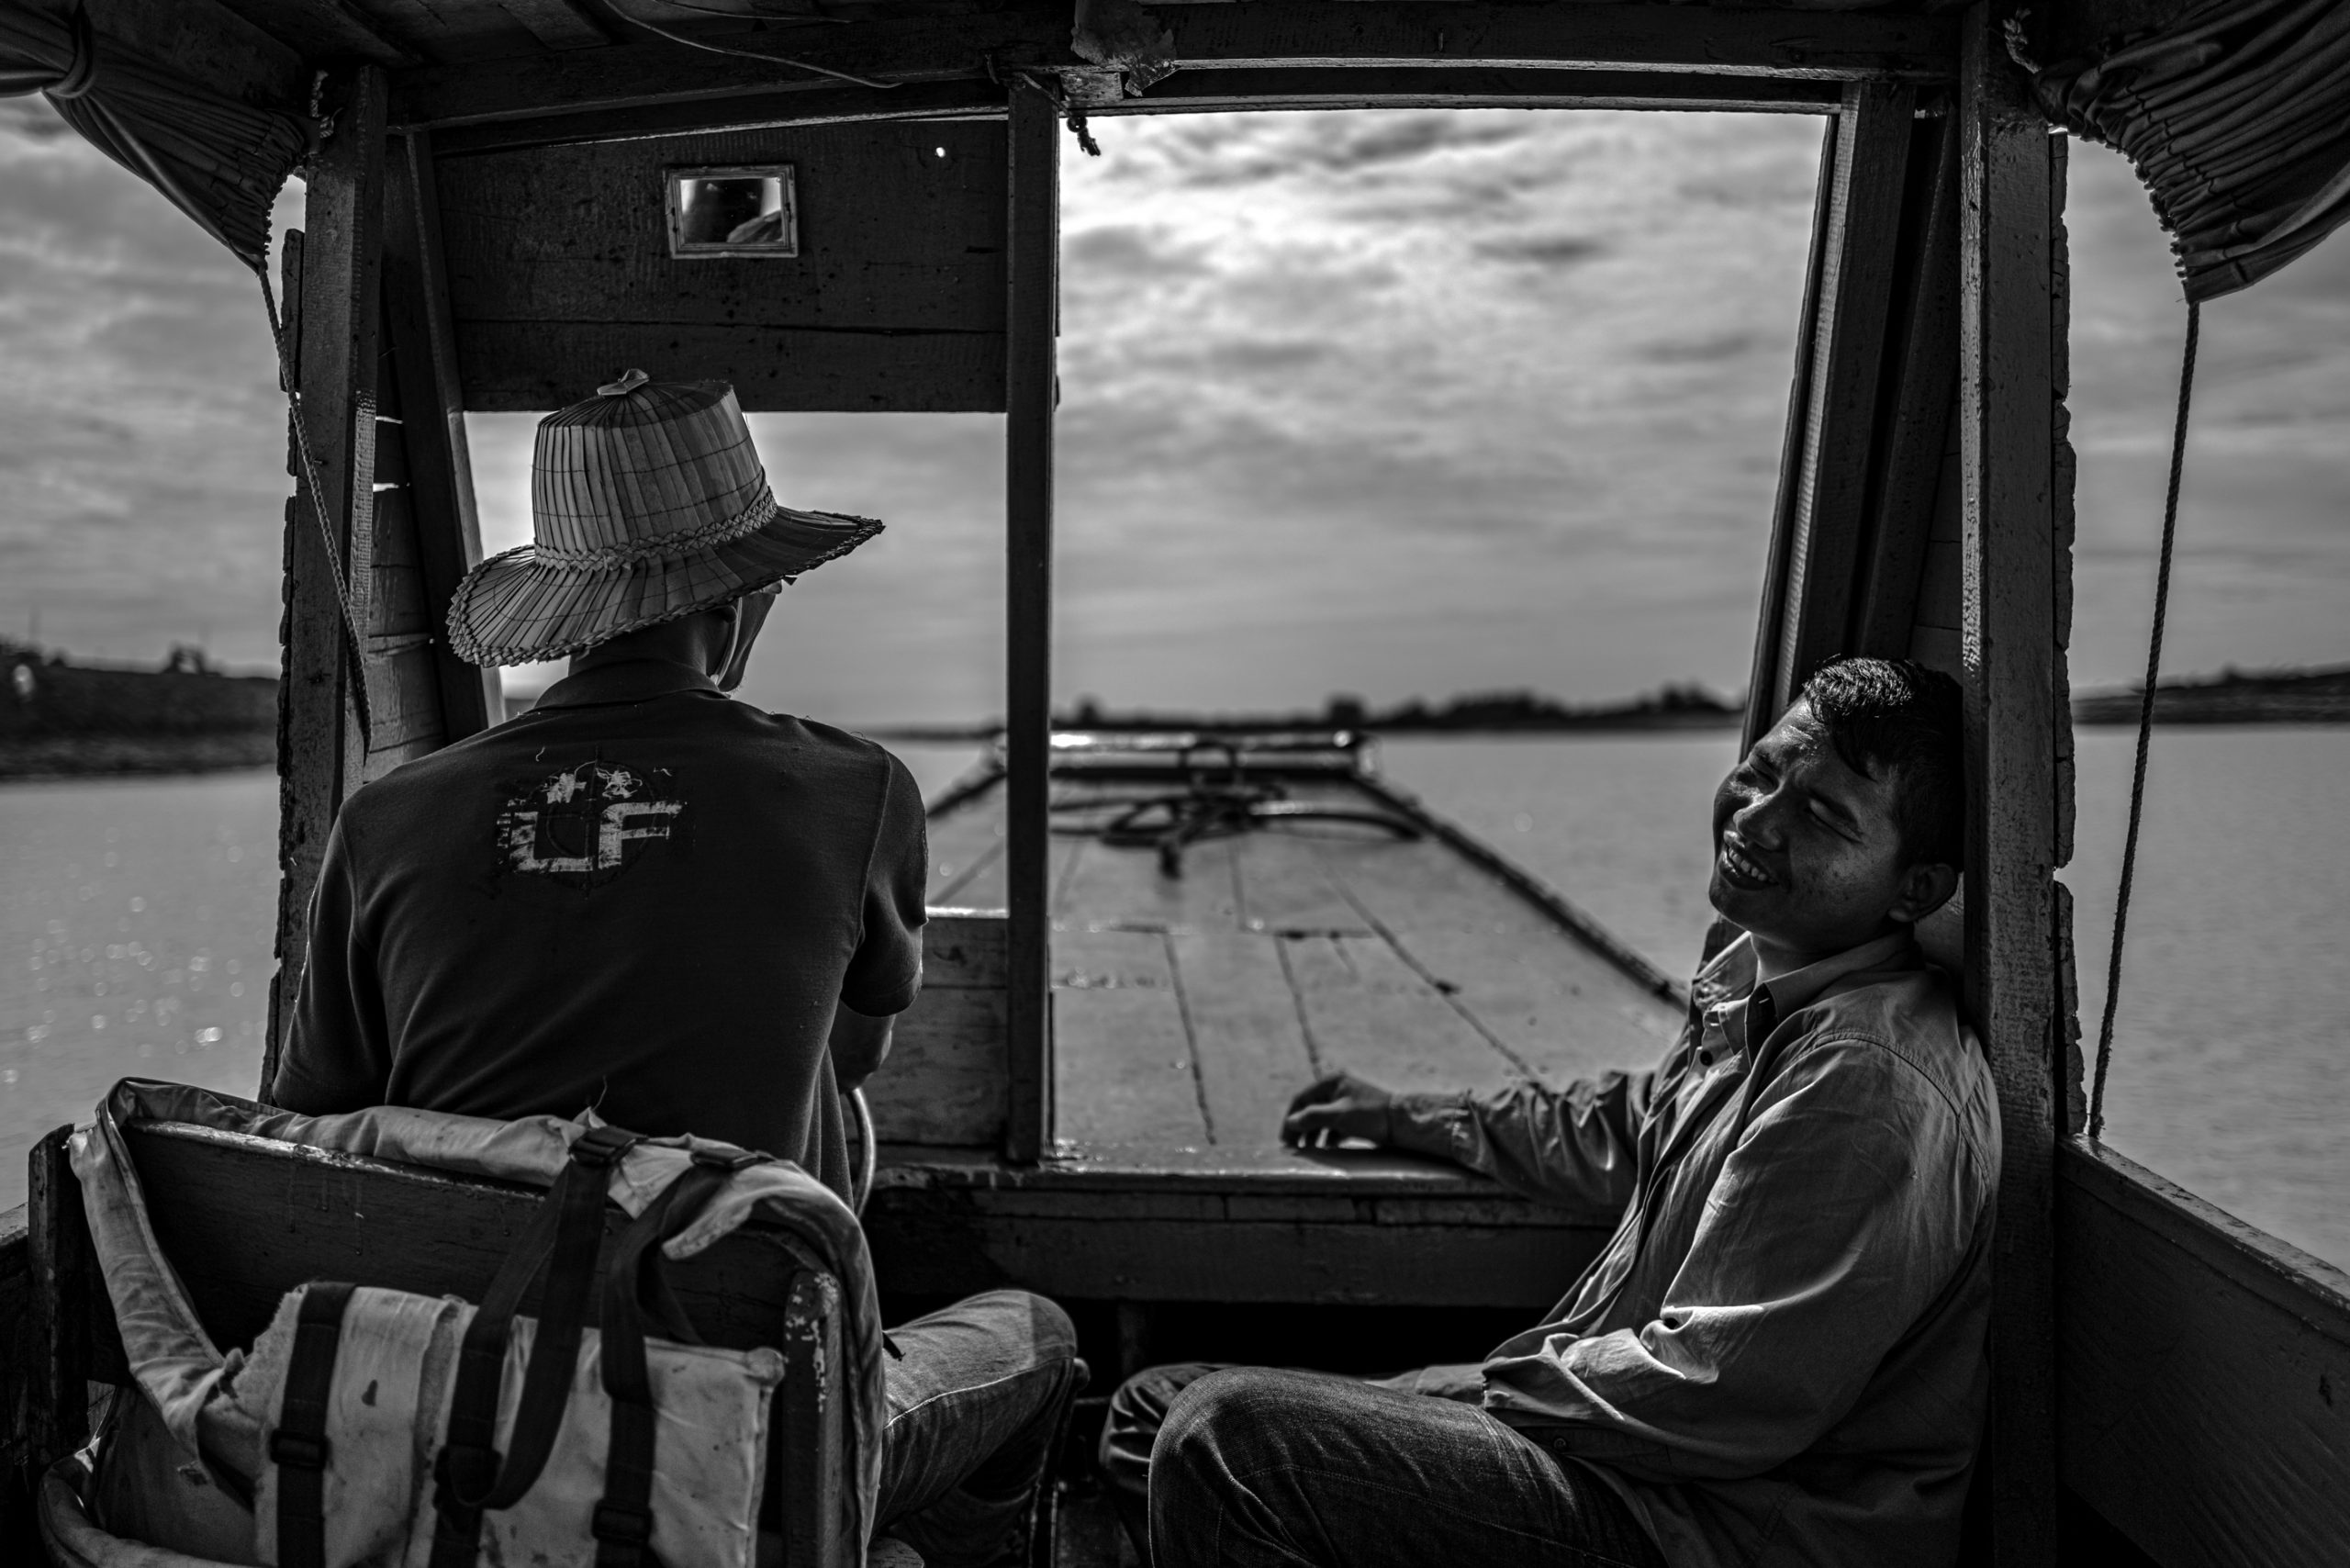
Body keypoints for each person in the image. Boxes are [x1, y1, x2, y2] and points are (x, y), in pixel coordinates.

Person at [270, 370, 1079, 1568]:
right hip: (738, 1437)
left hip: (453, 1416)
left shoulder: (388, 823)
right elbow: (852, 1071)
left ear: (567, 611)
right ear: (742, 603)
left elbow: (308, 1140)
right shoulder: (854, 794)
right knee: (1037, 1332)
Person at [1102, 656, 1999, 1568]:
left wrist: (1452, 1394)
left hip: (1714, 1526)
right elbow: (1625, 1126)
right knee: (1149, 1411)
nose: (1755, 818)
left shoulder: (1864, 1083)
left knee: (1223, 1441)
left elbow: (1716, 1394)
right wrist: (1415, 1115)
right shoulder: (1763, 984)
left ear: (1914, 888)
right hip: (1645, 1476)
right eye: (1763, 772)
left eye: (1821, 815)